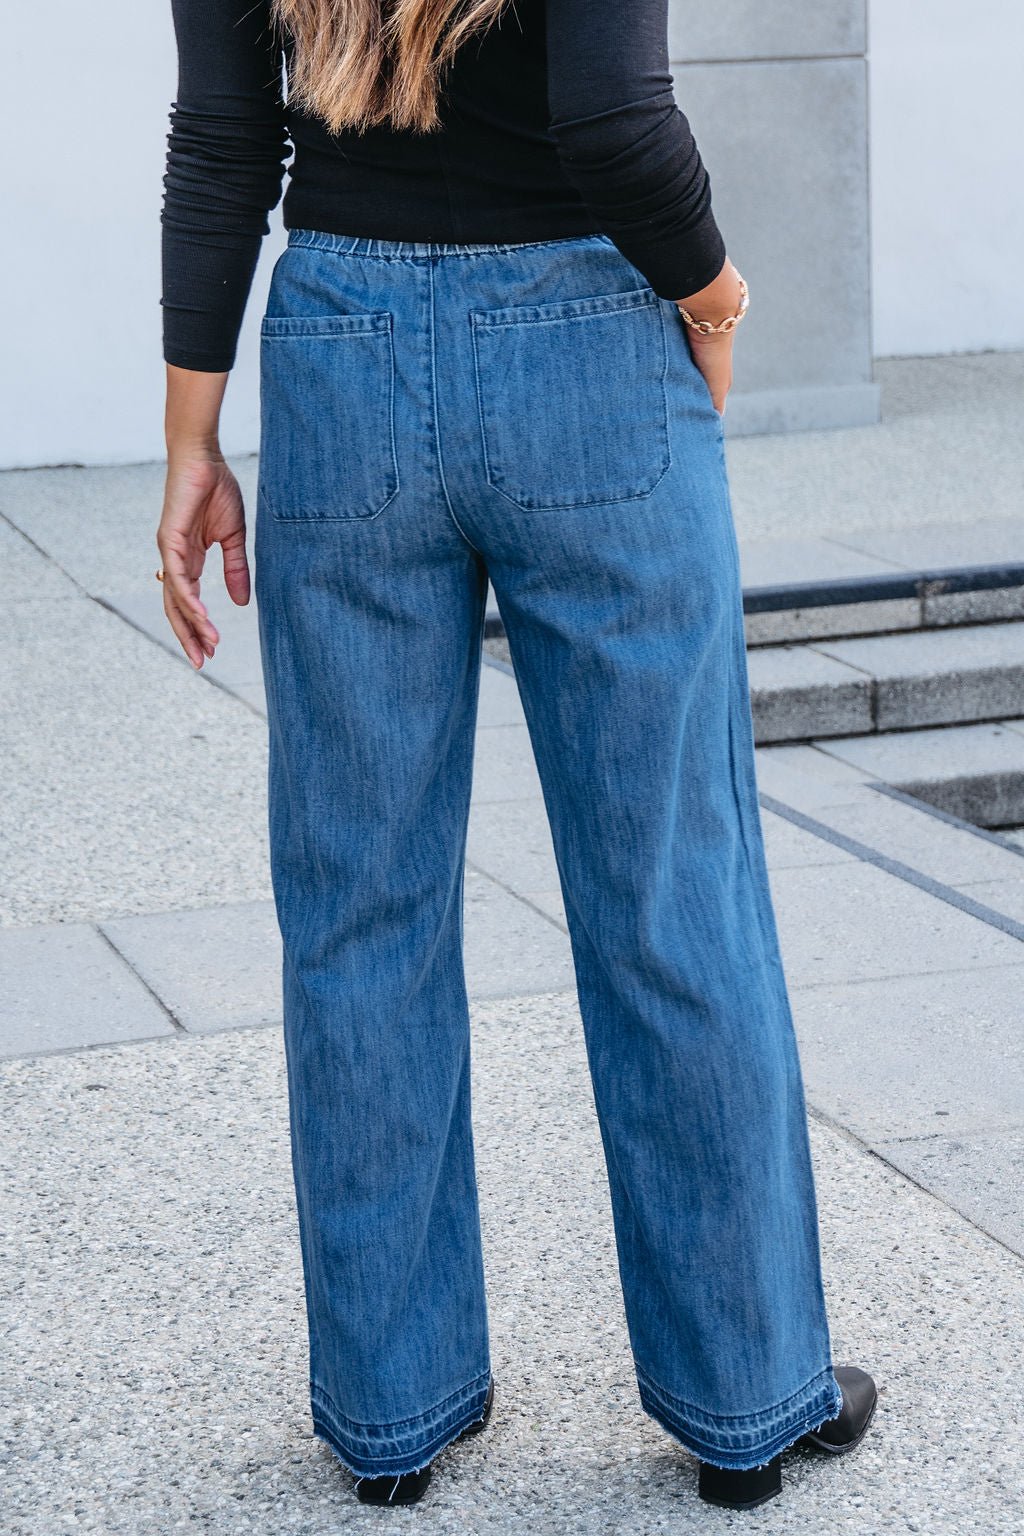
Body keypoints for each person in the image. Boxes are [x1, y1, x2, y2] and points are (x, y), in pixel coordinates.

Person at [157, 0, 877, 1512]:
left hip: (343, 355)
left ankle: (391, 1414)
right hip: (590, 350)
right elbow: (614, 120)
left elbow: (226, 135)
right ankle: (745, 1400)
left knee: (360, 912)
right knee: (672, 892)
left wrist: (191, 445)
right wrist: (719, 294)